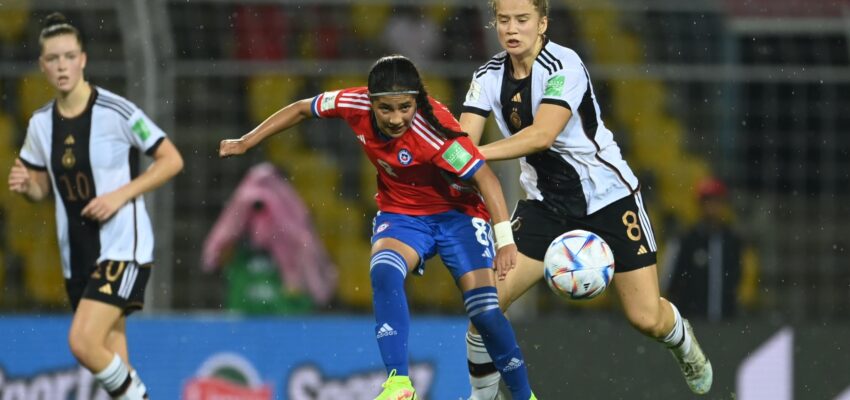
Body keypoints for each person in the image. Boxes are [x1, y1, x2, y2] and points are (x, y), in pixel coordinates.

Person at [219, 55, 537, 400]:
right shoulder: (351, 102)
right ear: (371, 102)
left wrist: (504, 239)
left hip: (458, 216)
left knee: (486, 313)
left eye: (405, 107)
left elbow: (486, 180)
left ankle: (523, 395)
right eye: (386, 109)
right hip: (402, 212)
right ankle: (399, 384)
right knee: (383, 269)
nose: (397, 118)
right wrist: (248, 140)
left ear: (417, 101)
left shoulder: (436, 134)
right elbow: (300, 108)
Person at [458, 0, 713, 397]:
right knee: (484, 308)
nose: (512, 29)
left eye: (522, 20)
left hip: (609, 199)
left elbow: (541, 135)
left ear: (542, 23)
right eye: (503, 20)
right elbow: (462, 139)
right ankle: (481, 396)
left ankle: (684, 344)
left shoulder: (565, 66)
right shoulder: (488, 76)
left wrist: (471, 155)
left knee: (646, 317)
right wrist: (449, 154)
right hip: (545, 205)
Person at [8, 13, 184, 400]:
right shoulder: (39, 125)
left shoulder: (117, 111)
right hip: (79, 255)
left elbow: (171, 159)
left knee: (83, 342)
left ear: (83, 59)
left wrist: (120, 195)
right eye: (52, 59)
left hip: (123, 247)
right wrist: (27, 187)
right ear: (42, 66)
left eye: (68, 56)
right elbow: (41, 189)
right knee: (114, 352)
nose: (61, 66)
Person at [663, 176, 755, 321]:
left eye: (716, 201)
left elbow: (745, 279)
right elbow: (669, 280)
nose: (711, 207)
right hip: (692, 322)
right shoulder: (686, 240)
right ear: (699, 205)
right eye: (707, 201)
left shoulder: (733, 241)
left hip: (727, 321)